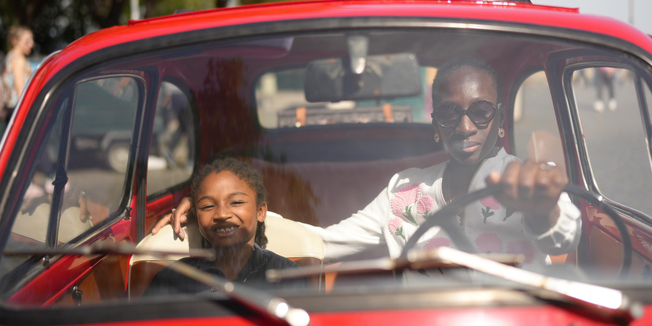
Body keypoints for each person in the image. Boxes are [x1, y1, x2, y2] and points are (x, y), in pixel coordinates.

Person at [153, 58, 581, 266]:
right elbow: (323, 242)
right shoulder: (405, 190)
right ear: (436, 123)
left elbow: (564, 236)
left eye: (481, 111)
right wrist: (218, 211)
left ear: (499, 121)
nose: (466, 125)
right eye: (451, 112)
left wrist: (546, 208)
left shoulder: (522, 180)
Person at [144, 157, 305, 296]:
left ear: (261, 211)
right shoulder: (172, 279)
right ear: (195, 217)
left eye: (236, 202)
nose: (221, 214)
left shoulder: (287, 275)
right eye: (207, 206)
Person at [3, 25, 35, 118]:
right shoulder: (18, 59)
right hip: (19, 109)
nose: (31, 44)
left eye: (31, 40)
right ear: (15, 41)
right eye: (27, 41)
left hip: (12, 109)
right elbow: (20, 91)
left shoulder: (10, 57)